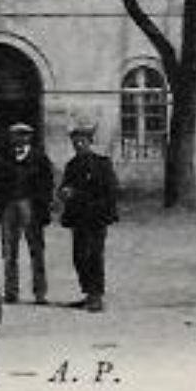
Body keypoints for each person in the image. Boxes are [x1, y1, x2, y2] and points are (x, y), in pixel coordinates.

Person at [0, 121, 55, 305]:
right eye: (16, 135)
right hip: (8, 207)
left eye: (24, 135)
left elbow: (47, 185)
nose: (19, 139)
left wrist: (45, 205)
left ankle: (40, 293)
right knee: (9, 251)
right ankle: (11, 292)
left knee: (37, 251)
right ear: (11, 138)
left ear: (29, 138)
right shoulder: (4, 158)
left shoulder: (40, 158)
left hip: (31, 207)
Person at [57, 123, 119, 312]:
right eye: (75, 142)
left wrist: (77, 194)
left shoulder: (102, 164)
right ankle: (88, 292)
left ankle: (97, 296)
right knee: (78, 257)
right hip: (79, 219)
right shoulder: (71, 166)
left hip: (97, 217)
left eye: (82, 141)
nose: (78, 145)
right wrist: (63, 193)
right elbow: (64, 187)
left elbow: (111, 191)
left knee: (94, 256)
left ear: (90, 142)